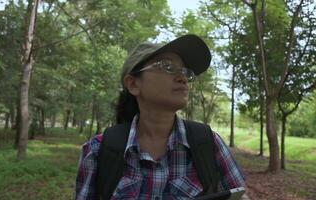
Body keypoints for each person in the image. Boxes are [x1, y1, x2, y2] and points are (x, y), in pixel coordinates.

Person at [75, 34, 245, 200]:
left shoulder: (209, 143)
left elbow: (240, 196)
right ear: (133, 84)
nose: (183, 78)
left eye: (186, 72)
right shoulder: (98, 151)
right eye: (167, 67)